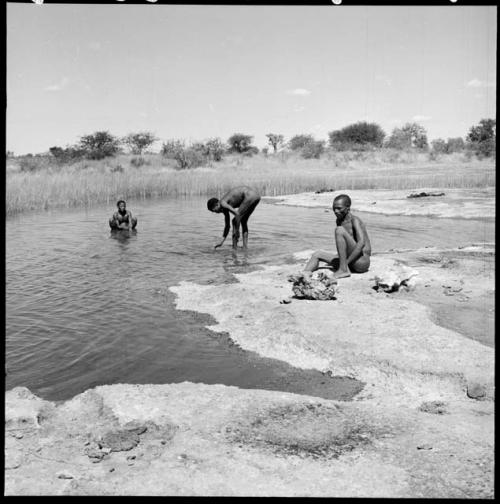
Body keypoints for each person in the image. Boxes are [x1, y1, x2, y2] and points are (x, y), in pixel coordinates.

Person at [304, 194, 371, 279]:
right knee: (317, 254)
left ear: (348, 208)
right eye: (334, 208)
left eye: (339, 208)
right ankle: (305, 273)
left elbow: (361, 244)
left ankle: (343, 270)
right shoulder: (339, 220)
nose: (336, 211)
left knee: (339, 230)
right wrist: (341, 260)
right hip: (350, 262)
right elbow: (344, 246)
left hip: (361, 262)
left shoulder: (355, 220)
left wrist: (345, 263)